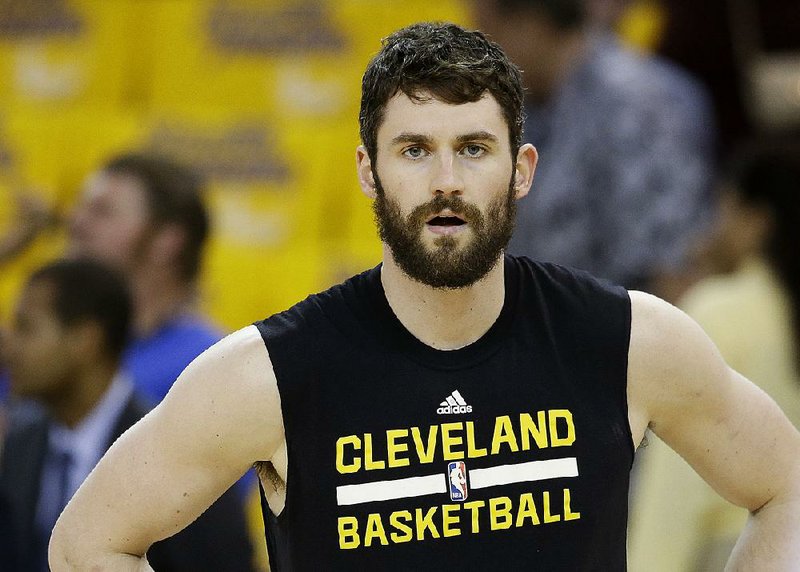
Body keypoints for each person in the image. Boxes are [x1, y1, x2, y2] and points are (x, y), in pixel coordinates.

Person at [50, 22, 800, 570]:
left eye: (473, 148)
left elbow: (786, 489)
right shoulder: (270, 373)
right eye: (414, 150)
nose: (446, 180)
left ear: (522, 170)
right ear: (369, 172)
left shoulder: (631, 340)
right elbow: (89, 546)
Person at [0, 258, 255, 571]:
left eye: (27, 328)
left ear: (85, 340)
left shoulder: (180, 453)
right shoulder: (17, 444)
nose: (8, 347)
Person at [629, 141, 800, 571]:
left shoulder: (719, 312)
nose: (710, 232)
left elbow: (676, 491)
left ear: (757, 222)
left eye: (724, 209)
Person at [474, 0, 716, 299]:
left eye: (485, 28)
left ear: (532, 25)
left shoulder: (637, 106)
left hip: (623, 330)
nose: (478, 51)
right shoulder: (525, 102)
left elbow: (667, 268)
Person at [65, 153, 223, 406]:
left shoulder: (208, 367)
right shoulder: (46, 349)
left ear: (167, 241)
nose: (76, 223)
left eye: (102, 212)